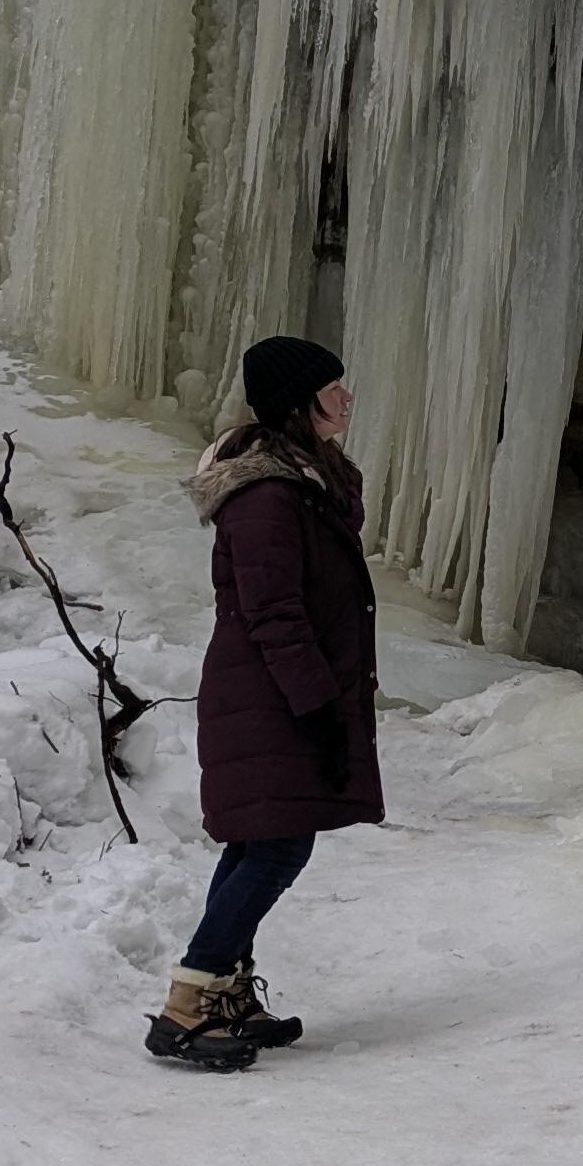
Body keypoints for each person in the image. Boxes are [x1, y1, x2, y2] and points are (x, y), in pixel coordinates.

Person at [144, 335, 383, 1072]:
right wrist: (315, 707)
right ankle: (188, 1004)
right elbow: (273, 613)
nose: (346, 399)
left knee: (260, 841)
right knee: (279, 844)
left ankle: (228, 993)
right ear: (298, 402)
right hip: (270, 695)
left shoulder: (305, 482)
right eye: (333, 388)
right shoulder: (267, 495)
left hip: (279, 692)